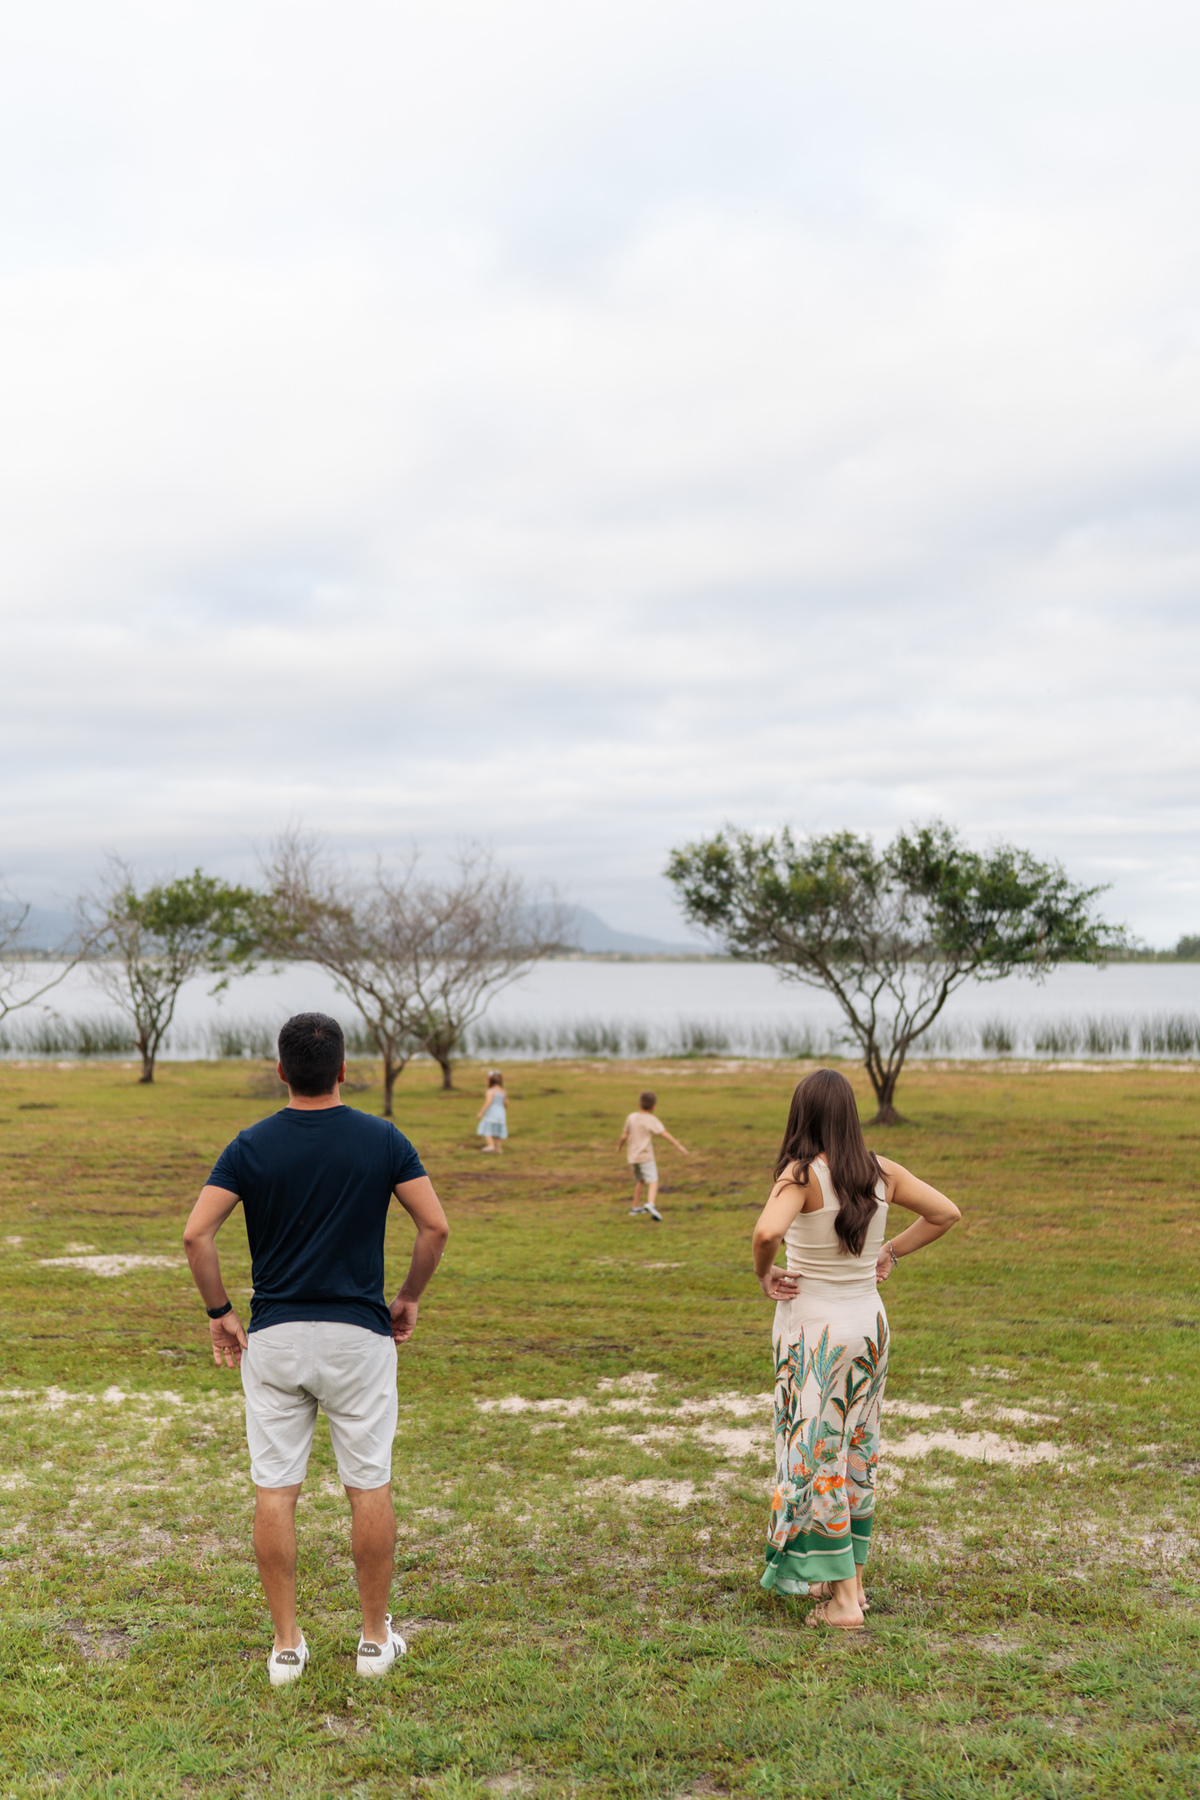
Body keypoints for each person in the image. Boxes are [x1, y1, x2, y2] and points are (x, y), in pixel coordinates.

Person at [182, 1011, 449, 1686]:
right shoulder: (383, 1138)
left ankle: (285, 1648)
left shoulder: (249, 1145)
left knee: (275, 1490)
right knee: (369, 1484)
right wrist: (409, 1296)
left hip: (274, 1338)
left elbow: (196, 1235)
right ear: (343, 1070)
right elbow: (435, 1227)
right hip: (359, 1338)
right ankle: (373, 1641)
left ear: (281, 1071)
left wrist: (219, 1312)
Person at [751, 1068, 960, 1631]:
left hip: (817, 1333)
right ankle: (852, 1583)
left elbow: (766, 1233)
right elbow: (946, 1213)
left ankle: (842, 1603)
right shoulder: (881, 1171)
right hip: (869, 1326)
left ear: (802, 1114)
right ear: (848, 1114)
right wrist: (890, 1251)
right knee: (856, 1451)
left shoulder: (800, 1174)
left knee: (817, 1455)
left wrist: (765, 1273)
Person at [618, 1089, 688, 1221]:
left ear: (639, 1104)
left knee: (641, 1180)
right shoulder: (652, 1120)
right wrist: (679, 1147)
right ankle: (650, 1203)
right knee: (653, 1180)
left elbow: (623, 1136)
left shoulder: (631, 1117)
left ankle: (635, 1208)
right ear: (654, 1107)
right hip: (645, 1157)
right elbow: (664, 1134)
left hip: (633, 1157)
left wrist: (619, 1147)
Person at [476, 1070, 508, 1153]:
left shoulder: (491, 1091)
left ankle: (491, 1145)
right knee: (497, 1131)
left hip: (492, 1113)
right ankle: (499, 1149)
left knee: (487, 1129)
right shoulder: (503, 1091)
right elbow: (506, 1103)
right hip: (501, 1113)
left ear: (490, 1081)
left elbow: (488, 1102)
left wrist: (481, 1112)